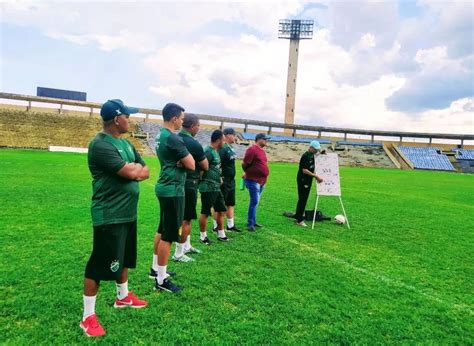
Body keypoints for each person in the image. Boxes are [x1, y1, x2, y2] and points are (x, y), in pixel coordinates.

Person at [81, 99, 150, 337]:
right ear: (116, 119)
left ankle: (122, 297)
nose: (130, 120)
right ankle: (87, 316)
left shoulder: (127, 145)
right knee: (98, 265)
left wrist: (135, 171)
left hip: (128, 212)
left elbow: (145, 170)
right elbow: (131, 171)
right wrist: (134, 171)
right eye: (127, 116)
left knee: (124, 258)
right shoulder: (100, 145)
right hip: (109, 214)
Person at [150, 103, 195, 293]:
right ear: (175, 118)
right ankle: (161, 279)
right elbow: (192, 164)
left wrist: (180, 162)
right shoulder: (173, 138)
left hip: (164, 186)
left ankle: (155, 269)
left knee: (162, 229)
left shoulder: (160, 135)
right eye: (182, 119)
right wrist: (183, 162)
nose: (182, 122)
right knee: (168, 235)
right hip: (173, 189)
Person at [172, 113, 209, 263]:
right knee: (186, 219)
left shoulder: (173, 139)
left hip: (175, 182)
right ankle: (179, 253)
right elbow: (205, 165)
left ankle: (186, 245)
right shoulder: (193, 144)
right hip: (189, 184)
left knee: (182, 217)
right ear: (193, 126)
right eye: (198, 125)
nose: (199, 128)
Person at [199, 129, 230, 244]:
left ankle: (221, 234)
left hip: (216, 187)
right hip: (208, 187)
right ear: (218, 140)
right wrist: (202, 180)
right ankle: (203, 237)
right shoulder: (208, 151)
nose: (225, 142)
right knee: (205, 212)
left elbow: (214, 167)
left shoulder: (215, 151)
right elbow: (201, 168)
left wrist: (219, 178)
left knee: (221, 210)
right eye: (223, 140)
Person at [212, 128, 241, 232]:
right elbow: (217, 163)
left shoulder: (230, 148)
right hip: (224, 181)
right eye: (234, 134)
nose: (235, 137)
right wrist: (220, 177)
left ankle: (230, 225)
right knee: (219, 204)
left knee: (230, 203)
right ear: (227, 135)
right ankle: (216, 226)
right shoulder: (222, 148)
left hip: (231, 180)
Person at [242, 133, 270, 232]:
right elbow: (245, 163)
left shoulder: (262, 151)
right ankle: (250, 223)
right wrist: (246, 172)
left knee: (255, 202)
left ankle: (253, 221)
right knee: (254, 201)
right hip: (253, 180)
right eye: (265, 139)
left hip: (261, 181)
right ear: (259, 139)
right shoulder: (252, 149)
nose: (267, 141)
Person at [295, 140, 324, 227]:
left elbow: (319, 155)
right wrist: (315, 176)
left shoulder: (312, 156)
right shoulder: (305, 156)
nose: (316, 151)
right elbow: (304, 170)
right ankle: (299, 220)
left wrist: (322, 153)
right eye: (315, 149)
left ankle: (298, 215)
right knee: (302, 199)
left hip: (308, 180)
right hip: (303, 180)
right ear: (310, 148)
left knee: (304, 198)